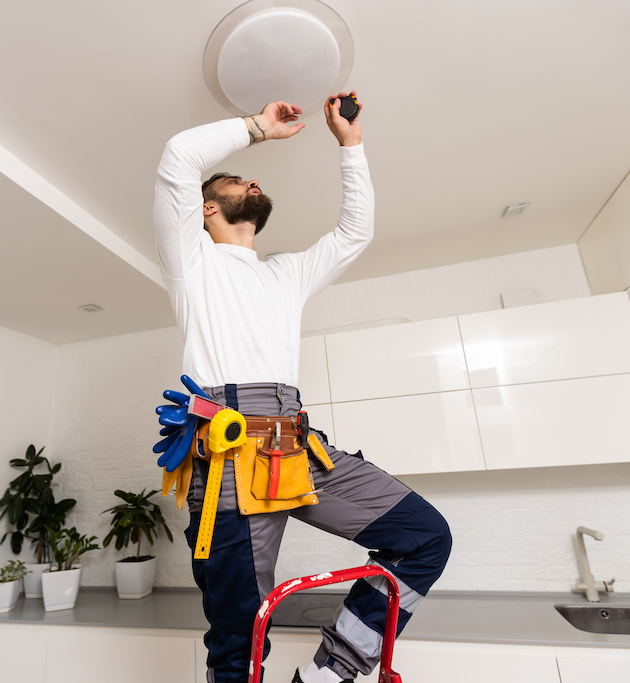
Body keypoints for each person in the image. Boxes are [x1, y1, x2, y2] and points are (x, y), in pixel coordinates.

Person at [153, 93, 452, 683]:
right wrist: (257, 127)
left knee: (424, 538)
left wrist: (350, 144)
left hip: (296, 446)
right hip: (231, 456)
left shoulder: (285, 273)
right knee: (238, 641)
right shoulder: (191, 263)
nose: (254, 179)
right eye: (238, 180)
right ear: (206, 209)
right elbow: (177, 157)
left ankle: (326, 675)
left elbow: (354, 232)